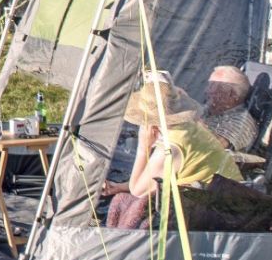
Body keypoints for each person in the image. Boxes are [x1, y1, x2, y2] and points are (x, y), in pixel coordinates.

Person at [102, 79, 242, 228]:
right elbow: (160, 178)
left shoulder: (172, 148)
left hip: (215, 215)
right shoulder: (189, 127)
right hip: (231, 200)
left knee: (123, 202)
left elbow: (138, 191)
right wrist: (120, 186)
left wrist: (144, 148)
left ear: (150, 122)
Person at [203, 66, 257, 152]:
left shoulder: (241, 121)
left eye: (212, 86)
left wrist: (195, 123)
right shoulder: (210, 109)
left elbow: (216, 146)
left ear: (232, 94)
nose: (207, 90)